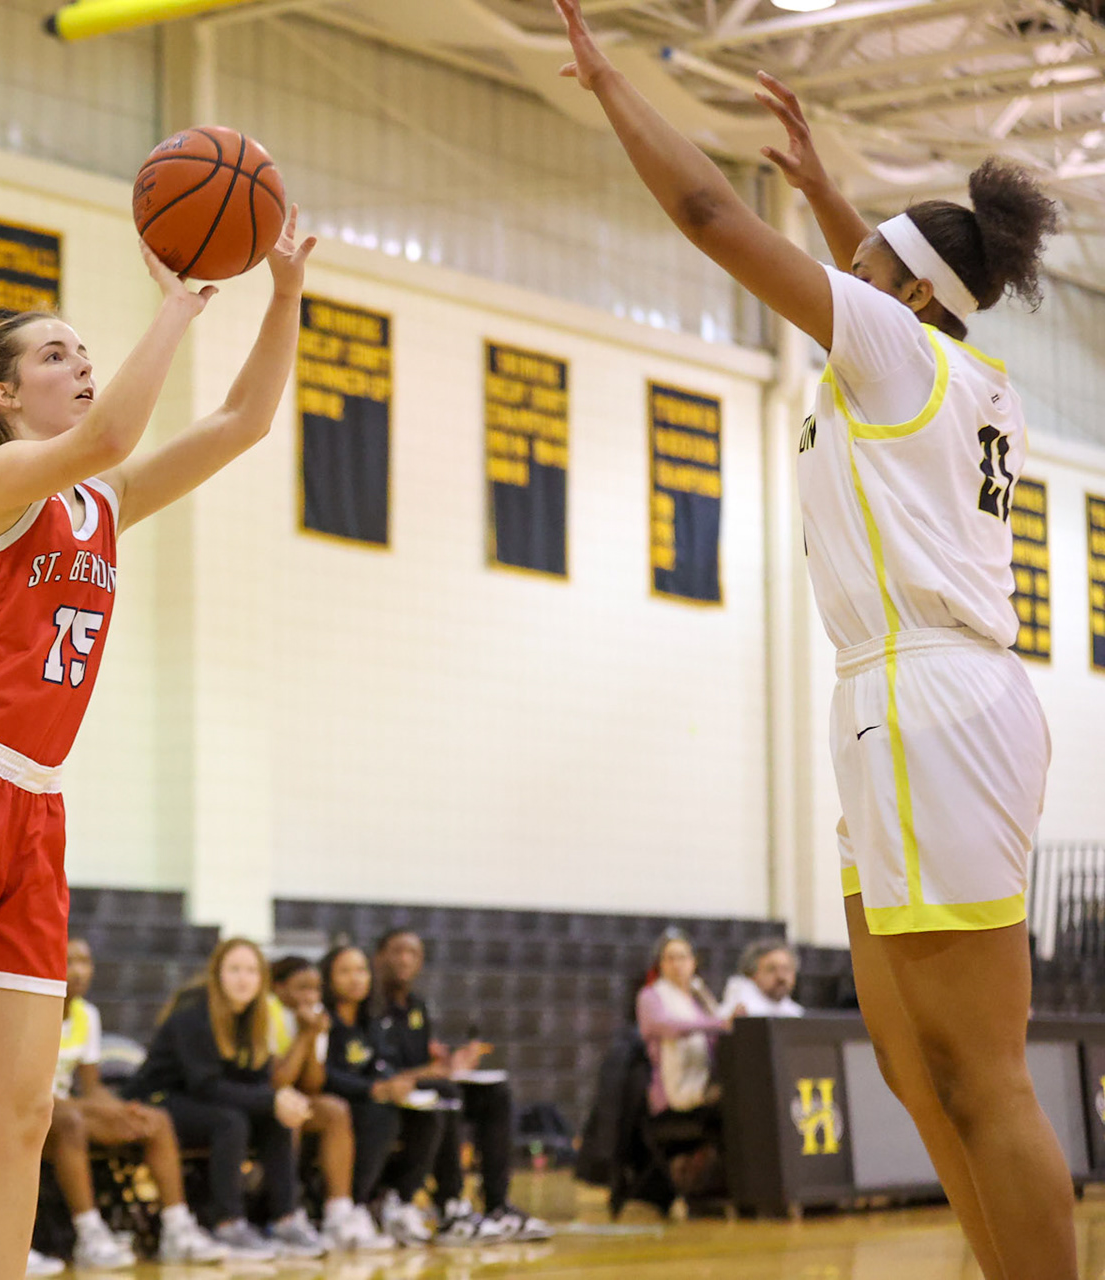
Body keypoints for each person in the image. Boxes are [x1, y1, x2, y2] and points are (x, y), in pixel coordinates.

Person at [554, 3, 1074, 1271]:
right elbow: (891, 282)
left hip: (926, 699)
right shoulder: (945, 364)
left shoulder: (898, 355)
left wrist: (613, 88)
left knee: (981, 1068)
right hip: (916, 703)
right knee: (912, 1062)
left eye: (867, 263)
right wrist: (840, 194)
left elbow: (709, 219)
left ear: (898, 292)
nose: (849, 275)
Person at [0, 199, 315, 1280]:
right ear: (4, 396)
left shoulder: (103, 502)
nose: (83, 365)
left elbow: (242, 423)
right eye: (58, 353)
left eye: (86, 350)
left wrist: (282, 293)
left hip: (37, 808)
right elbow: (108, 433)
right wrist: (178, 310)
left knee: (23, 1110)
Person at [124, 939, 323, 1260]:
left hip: (204, 1101)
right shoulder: (194, 1014)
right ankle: (227, 1223)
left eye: (251, 971)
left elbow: (255, 1082)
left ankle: (285, 1218)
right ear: (218, 974)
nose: (243, 979)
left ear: (262, 979)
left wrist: (280, 1099)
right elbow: (206, 1086)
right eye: (234, 970)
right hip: (158, 1100)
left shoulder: (254, 1018)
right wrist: (272, 1098)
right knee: (230, 1121)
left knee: (273, 1118)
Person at [42, 937, 226, 1266]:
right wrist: (91, 1108)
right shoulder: (34, 1010)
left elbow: (92, 1087)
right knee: (69, 1117)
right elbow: (33, 1092)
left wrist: (121, 1110)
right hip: (37, 1111)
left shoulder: (88, 1016)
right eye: (70, 962)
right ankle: (89, 1234)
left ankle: (177, 1228)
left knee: (154, 1120)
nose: (79, 971)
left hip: (71, 1110)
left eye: (85, 962)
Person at [371, 930, 549, 1243]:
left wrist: (453, 1064)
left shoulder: (417, 1006)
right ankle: (449, 1203)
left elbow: (425, 1063)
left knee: (496, 1093)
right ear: (379, 957)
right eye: (397, 951)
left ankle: (497, 1202)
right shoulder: (371, 1007)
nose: (404, 959)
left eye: (413, 953)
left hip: (425, 1088)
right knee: (447, 1092)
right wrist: (437, 1071)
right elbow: (384, 1070)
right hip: (388, 1096)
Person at [267, 956, 393, 1251]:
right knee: (291, 1116)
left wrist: (311, 1036)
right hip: (262, 1098)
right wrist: (304, 1036)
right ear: (278, 987)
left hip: (293, 1096)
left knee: (335, 1110)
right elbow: (279, 1081)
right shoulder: (268, 1013)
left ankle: (339, 1213)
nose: (310, 997)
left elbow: (313, 1083)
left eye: (315, 989)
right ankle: (285, 1214)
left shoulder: (315, 1017)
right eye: (301, 988)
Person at [317, 944, 436, 1245]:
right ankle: (355, 1204)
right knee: (380, 1114)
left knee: (431, 1108)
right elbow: (321, 1075)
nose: (355, 978)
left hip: (369, 1095)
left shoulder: (370, 1021)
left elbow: (380, 1063)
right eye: (345, 971)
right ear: (328, 979)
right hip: (339, 1100)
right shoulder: (322, 1020)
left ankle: (400, 1199)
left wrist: (394, 1084)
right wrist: (373, 1088)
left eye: (361, 970)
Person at [635, 931, 733, 1117]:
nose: (677, 964)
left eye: (682, 957)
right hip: (669, 1095)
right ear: (660, 964)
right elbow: (668, 1026)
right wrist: (719, 1024)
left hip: (706, 1078)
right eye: (669, 958)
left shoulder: (700, 994)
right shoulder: (650, 996)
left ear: (693, 962)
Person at [722, 940, 805, 1018]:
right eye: (771, 969)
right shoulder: (737, 1012)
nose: (781, 977)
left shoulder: (797, 1013)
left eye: (786, 969)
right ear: (751, 974)